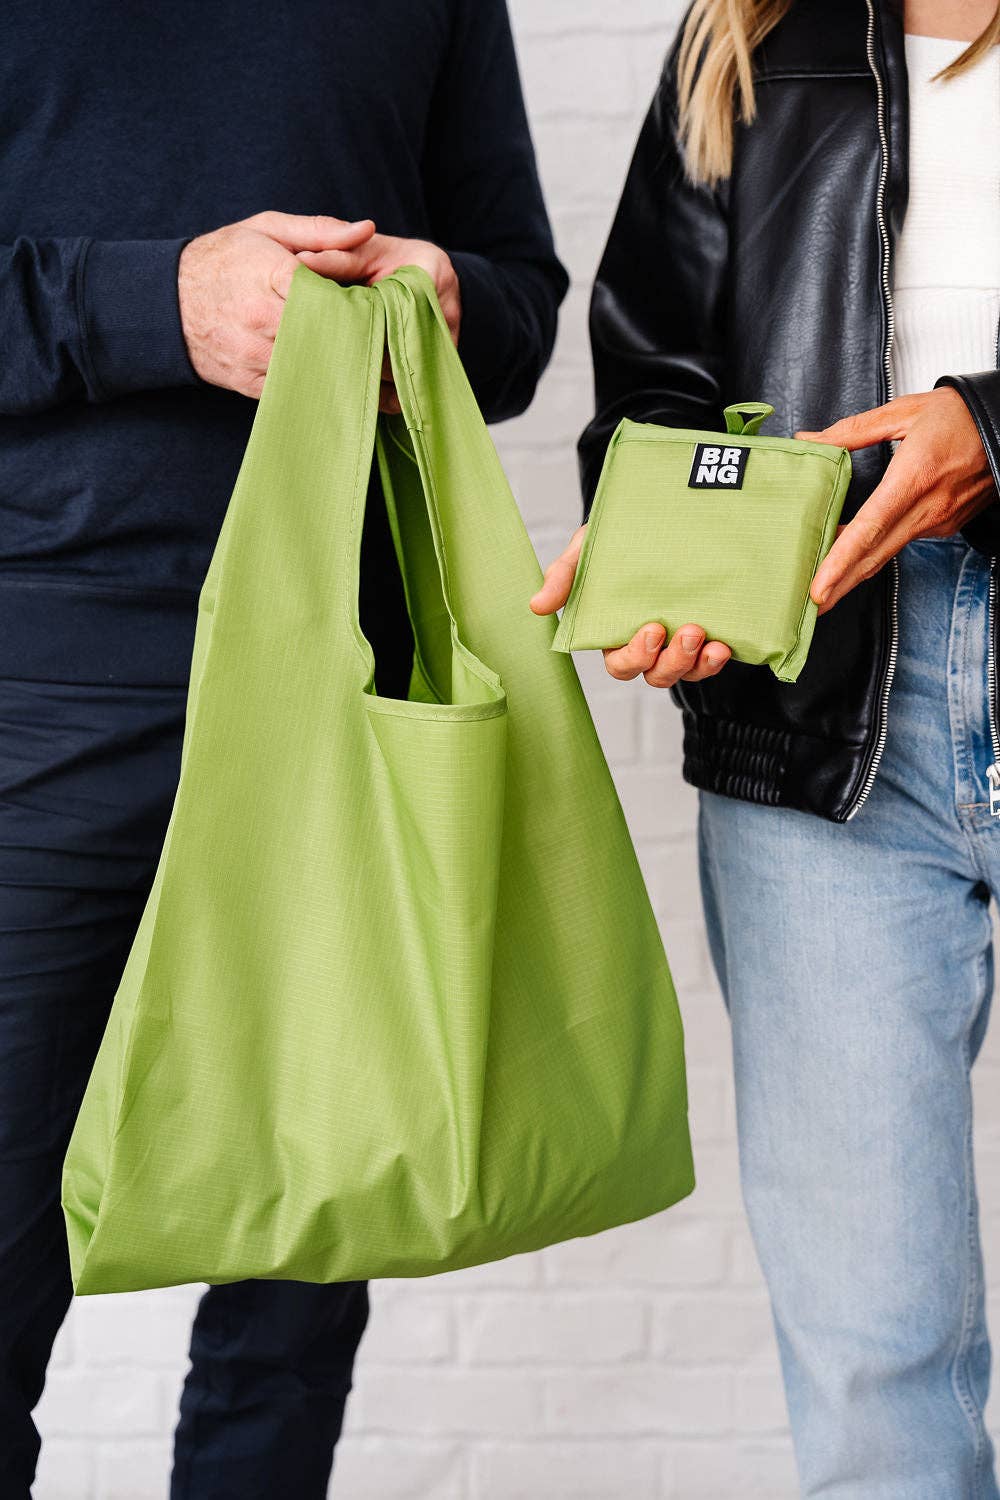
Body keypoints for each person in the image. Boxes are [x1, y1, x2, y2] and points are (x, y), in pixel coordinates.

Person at [0, 2, 567, 1494]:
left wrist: (445, 305)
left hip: (349, 691)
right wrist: (157, 302)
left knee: (299, 1301)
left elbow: (520, 303)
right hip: (42, 689)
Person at [532, 0, 1000, 1493]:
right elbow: (657, 363)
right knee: (873, 1348)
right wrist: (670, 549)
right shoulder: (747, 24)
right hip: (819, 695)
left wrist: (995, 431)